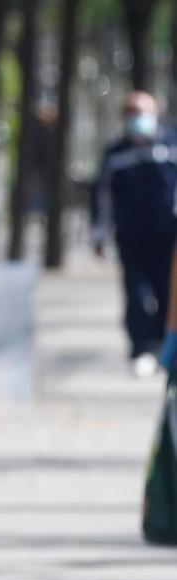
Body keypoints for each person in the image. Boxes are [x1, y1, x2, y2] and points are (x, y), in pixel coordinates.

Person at [94, 90, 177, 377]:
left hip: (169, 237)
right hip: (131, 238)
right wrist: (98, 235)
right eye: (131, 111)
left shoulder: (172, 144)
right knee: (137, 294)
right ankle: (142, 349)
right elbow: (101, 196)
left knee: (170, 292)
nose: (138, 117)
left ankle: (167, 348)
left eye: (143, 110)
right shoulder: (116, 153)